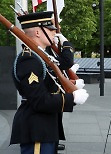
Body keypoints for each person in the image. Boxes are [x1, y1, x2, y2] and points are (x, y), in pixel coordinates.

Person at [10, 11, 89, 154]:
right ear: (38, 32)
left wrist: (71, 85)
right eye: (50, 29)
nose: (54, 33)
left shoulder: (41, 57)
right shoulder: (29, 60)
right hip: (36, 128)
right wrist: (72, 98)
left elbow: (49, 85)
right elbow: (39, 100)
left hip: (45, 126)